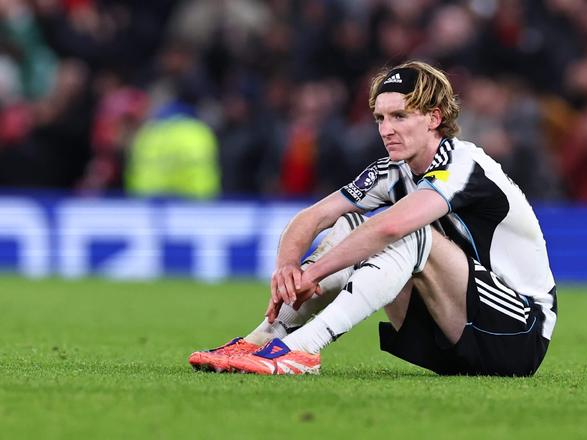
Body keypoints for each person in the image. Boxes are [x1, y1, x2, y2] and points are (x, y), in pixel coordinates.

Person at [188, 61, 557, 376]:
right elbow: (312, 217)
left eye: (400, 116)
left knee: (407, 232)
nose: (385, 129)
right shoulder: (392, 170)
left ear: (434, 118)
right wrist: (286, 269)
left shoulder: (464, 165)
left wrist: (314, 273)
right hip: (451, 333)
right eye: (380, 117)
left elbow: (392, 226)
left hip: (517, 335)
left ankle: (302, 349)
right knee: (350, 225)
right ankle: (264, 339)